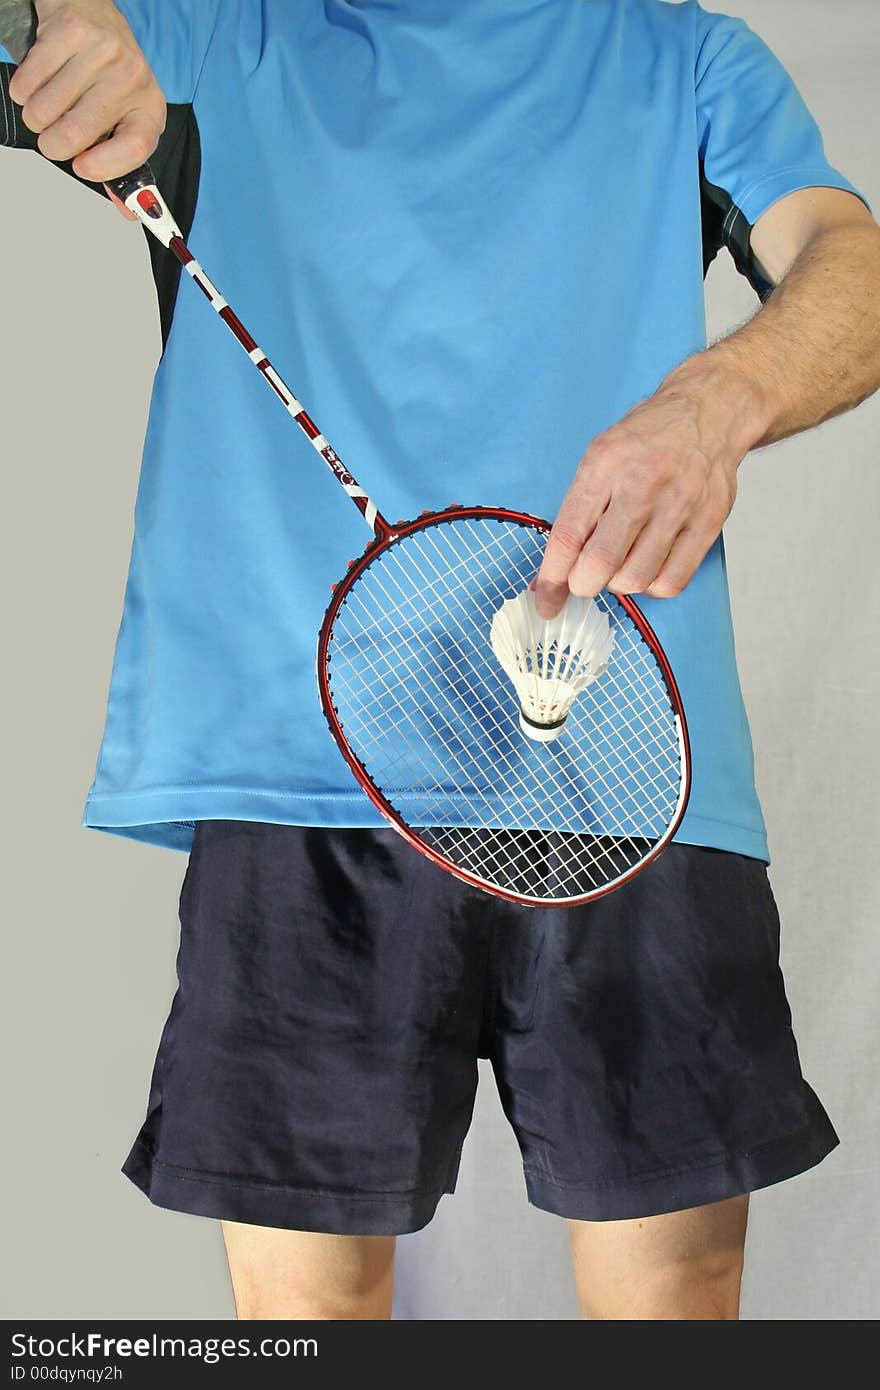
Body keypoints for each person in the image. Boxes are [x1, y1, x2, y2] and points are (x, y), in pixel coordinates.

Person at [2, 0, 878, 1322]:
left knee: (678, 1288)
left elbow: (848, 261)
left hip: (621, 767)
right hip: (298, 768)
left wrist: (724, 395)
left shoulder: (686, 56)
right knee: (304, 1312)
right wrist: (53, 26)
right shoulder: (215, 32)